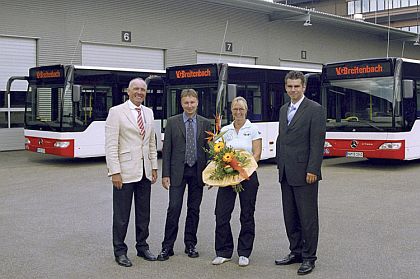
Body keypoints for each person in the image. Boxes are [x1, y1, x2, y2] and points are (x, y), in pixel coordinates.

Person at [275, 71, 326, 275]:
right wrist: (280, 164)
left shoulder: (315, 110)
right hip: (286, 172)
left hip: (306, 173)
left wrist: (313, 169)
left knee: (307, 217)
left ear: (303, 87)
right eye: (290, 86)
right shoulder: (283, 109)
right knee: (290, 216)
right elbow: (282, 139)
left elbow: (317, 142)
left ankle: (309, 257)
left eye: (297, 86)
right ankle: (295, 251)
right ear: (286, 87)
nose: (293, 90)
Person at [105, 78, 158, 267]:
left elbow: (151, 142)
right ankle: (120, 251)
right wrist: (115, 172)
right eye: (136, 89)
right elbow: (111, 146)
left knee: (144, 213)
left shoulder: (149, 112)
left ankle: (142, 247)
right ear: (128, 91)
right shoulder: (116, 112)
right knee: (121, 215)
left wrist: (153, 166)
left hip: (144, 171)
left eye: (143, 89)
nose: (139, 92)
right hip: (124, 172)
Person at [157, 89, 211, 261]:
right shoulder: (172, 122)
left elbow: (209, 150)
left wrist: (211, 174)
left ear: (197, 103)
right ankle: (167, 246)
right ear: (181, 103)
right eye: (186, 103)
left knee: (194, 209)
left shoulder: (205, 123)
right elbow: (167, 151)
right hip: (177, 172)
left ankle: (190, 244)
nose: (189, 106)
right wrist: (165, 174)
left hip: (197, 171)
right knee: (174, 208)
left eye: (192, 102)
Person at [212, 97, 262, 267]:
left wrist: (243, 171)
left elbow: (257, 154)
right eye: (235, 109)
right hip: (227, 177)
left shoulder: (253, 129)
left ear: (246, 110)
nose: (238, 112)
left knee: (246, 214)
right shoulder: (225, 130)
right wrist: (229, 169)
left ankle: (244, 252)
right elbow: (218, 154)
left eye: (241, 109)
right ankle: (223, 251)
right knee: (221, 213)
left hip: (248, 177)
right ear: (231, 111)